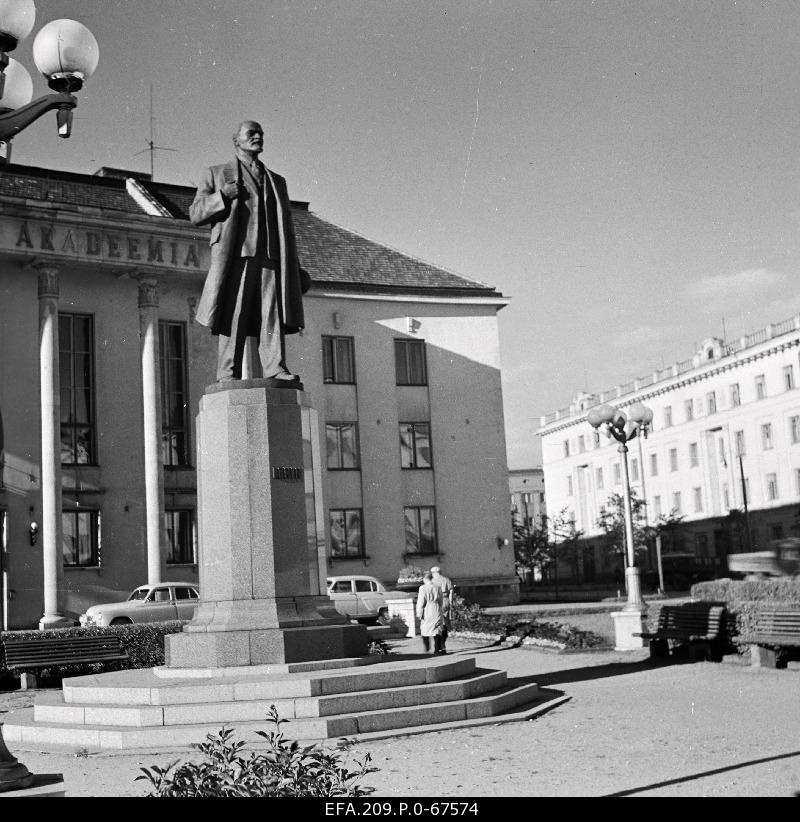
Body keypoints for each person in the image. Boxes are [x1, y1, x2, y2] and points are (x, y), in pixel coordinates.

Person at [189, 120, 310, 383]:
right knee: (235, 313)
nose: (258, 137)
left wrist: (295, 266)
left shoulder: (276, 181)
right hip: (237, 256)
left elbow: (287, 230)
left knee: (272, 315)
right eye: (251, 133)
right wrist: (222, 196)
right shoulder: (216, 173)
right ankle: (227, 372)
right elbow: (196, 213)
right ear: (237, 141)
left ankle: (275, 368)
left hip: (271, 256)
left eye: (261, 133)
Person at [416, 572, 445, 654]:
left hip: (427, 609)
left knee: (425, 628)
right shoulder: (437, 587)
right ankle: (437, 649)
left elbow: (421, 601)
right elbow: (441, 600)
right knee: (437, 628)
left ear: (424, 579)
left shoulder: (423, 588)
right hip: (436, 608)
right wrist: (440, 609)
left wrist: (419, 612)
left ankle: (427, 648)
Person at [430, 566, 454, 652]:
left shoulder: (432, 581)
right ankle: (442, 645)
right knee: (445, 624)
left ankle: (437, 646)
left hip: (435, 603)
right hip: (445, 601)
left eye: (432, 573)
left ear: (434, 573)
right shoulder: (446, 580)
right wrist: (451, 604)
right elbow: (451, 593)